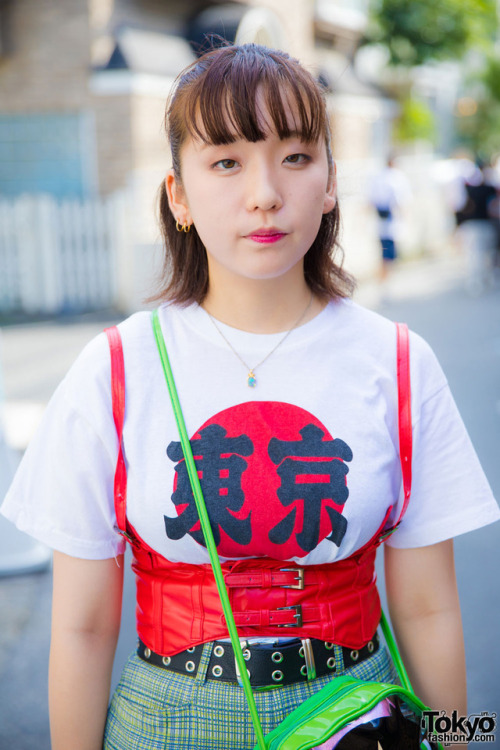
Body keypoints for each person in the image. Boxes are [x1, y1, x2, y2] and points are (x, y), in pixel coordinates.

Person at [1, 43, 499, 750]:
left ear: (330, 181)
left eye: (296, 157)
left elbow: (425, 608)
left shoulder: (397, 362)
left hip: (353, 717)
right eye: (226, 161)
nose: (264, 192)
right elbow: (82, 627)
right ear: (178, 194)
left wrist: (457, 743)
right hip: (166, 723)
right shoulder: (118, 368)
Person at [368, 157, 412, 294]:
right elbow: (402, 201)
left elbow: (370, 200)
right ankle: (384, 284)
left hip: (380, 222)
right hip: (391, 221)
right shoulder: (397, 178)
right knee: (388, 255)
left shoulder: (378, 177)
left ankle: (383, 283)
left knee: (384, 253)